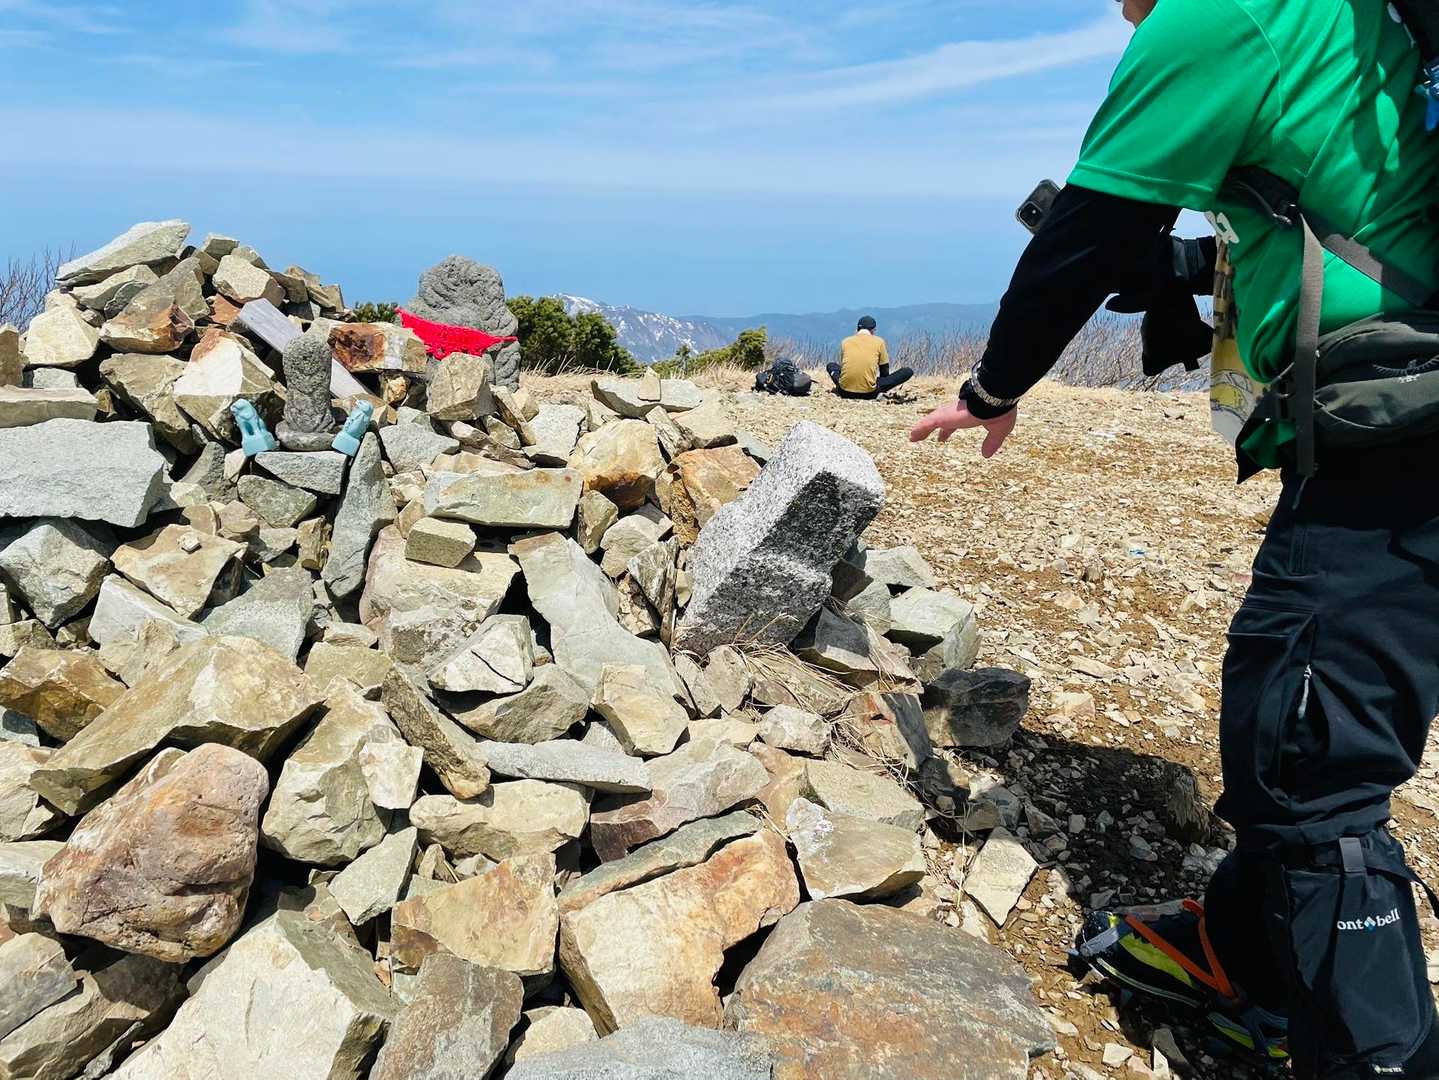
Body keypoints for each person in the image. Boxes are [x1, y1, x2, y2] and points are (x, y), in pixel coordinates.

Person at [911, 1, 1439, 1076]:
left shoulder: (1218, 11)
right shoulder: (1332, 22)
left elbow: (1084, 231)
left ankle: (1377, 1053)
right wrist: (1182, 271)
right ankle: (1244, 955)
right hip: (1392, 430)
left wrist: (991, 386)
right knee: (1293, 708)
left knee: (1309, 762)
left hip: (1402, 447)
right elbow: (1353, 212)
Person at [827, 316, 914, 397]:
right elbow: (884, 370)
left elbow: (844, 368)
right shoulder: (879, 342)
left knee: (831, 365)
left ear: (857, 329)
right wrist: (881, 382)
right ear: (873, 330)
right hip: (869, 393)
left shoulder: (845, 341)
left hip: (844, 392)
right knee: (907, 371)